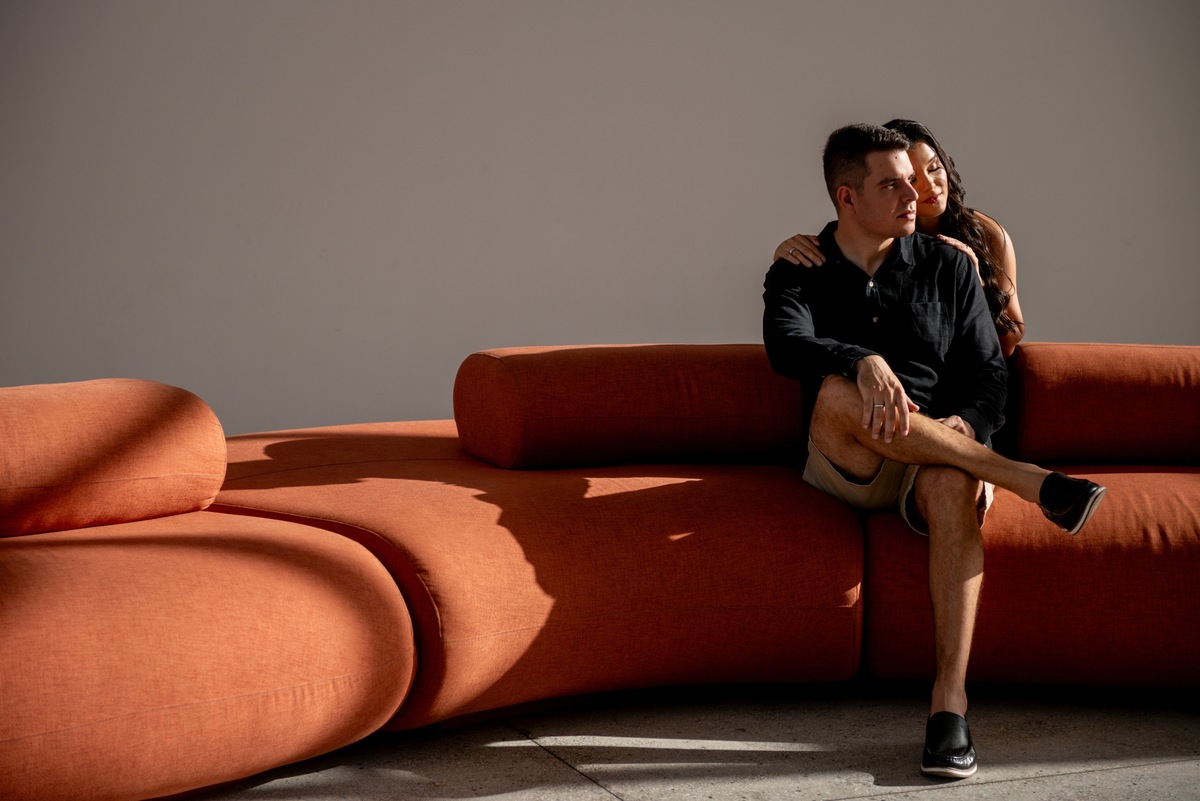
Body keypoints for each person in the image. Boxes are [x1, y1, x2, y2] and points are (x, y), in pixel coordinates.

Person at [762, 123, 1107, 779]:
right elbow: (786, 345)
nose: (913, 194)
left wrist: (966, 425)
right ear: (847, 196)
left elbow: (990, 374)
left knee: (952, 483)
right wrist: (860, 359)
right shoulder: (800, 265)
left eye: (914, 180)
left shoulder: (950, 264)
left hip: (935, 460)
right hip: (850, 462)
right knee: (836, 393)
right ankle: (1028, 480)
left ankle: (949, 704)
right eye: (892, 184)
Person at [774, 119, 1025, 358]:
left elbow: (1006, 345)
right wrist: (787, 258)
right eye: (910, 178)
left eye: (934, 168)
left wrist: (974, 286)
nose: (926, 186)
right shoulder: (876, 237)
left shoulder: (984, 235)